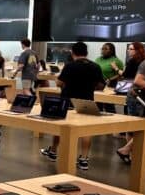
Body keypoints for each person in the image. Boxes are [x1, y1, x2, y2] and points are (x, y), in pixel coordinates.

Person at [40, 41, 104, 170]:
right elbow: (101, 86)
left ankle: (53, 152)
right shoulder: (95, 66)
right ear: (86, 52)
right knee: (87, 130)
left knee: (60, 127)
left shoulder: (70, 66)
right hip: (87, 101)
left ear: (73, 52)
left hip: (67, 100)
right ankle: (84, 159)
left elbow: (58, 83)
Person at [116, 46, 145, 163]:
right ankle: (128, 152)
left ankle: (129, 152)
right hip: (137, 97)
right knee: (139, 127)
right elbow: (138, 80)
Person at [95, 43, 123, 112]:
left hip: (110, 85)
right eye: (102, 49)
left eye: (106, 49)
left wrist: (111, 79)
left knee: (109, 105)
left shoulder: (116, 61)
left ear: (111, 51)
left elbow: (121, 75)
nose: (103, 50)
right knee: (98, 104)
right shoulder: (98, 59)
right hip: (98, 85)